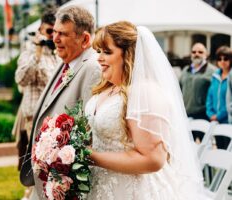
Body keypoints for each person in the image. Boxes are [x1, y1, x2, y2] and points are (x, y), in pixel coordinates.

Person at [85, 21, 206, 199]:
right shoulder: (109, 88)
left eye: (107, 52)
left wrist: (90, 157)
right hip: (100, 186)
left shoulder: (146, 93)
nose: (99, 58)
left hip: (132, 190)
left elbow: (153, 159)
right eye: (99, 52)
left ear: (129, 55)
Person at [19, 6, 101, 200]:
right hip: (45, 176)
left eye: (62, 34)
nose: (55, 38)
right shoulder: (64, 61)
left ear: (85, 39)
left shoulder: (93, 68)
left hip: (64, 179)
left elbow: (89, 130)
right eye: (54, 32)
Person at [14, 8, 60, 200]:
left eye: (57, 32)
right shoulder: (29, 50)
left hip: (54, 120)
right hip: (33, 120)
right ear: (41, 28)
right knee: (35, 171)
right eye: (50, 31)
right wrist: (38, 50)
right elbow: (21, 79)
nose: (54, 36)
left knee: (53, 170)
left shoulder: (59, 53)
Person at [180, 42, 216, 120]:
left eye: (200, 52)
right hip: (185, 115)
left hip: (203, 115)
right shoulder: (185, 70)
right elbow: (178, 90)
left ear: (206, 54)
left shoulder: (213, 71)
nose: (197, 54)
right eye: (194, 52)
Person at [206, 46, 232, 124]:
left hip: (228, 121)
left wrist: (219, 116)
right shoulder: (215, 76)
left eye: (225, 59)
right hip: (214, 121)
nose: (222, 61)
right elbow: (209, 97)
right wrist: (210, 114)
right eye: (219, 59)